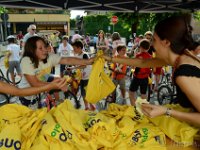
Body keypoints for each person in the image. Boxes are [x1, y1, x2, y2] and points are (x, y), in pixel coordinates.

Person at [103, 14, 200, 126]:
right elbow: (143, 63)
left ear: (166, 42)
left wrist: (166, 111)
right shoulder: (181, 57)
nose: (152, 45)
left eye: (154, 40)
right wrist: (111, 58)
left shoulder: (183, 75)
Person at [20, 36, 93, 107]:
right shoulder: (27, 61)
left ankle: (57, 100)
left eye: (46, 47)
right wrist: (55, 85)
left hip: (36, 96)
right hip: (26, 97)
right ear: (32, 50)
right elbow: (35, 83)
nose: (46, 50)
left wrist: (88, 61)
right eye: (41, 48)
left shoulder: (47, 58)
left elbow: (67, 60)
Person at [71, 40, 95, 111]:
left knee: (86, 93)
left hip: (87, 77)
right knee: (83, 93)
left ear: (79, 48)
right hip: (81, 77)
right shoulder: (77, 55)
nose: (74, 50)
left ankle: (91, 106)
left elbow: (84, 66)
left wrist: (74, 67)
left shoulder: (85, 55)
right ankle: (87, 107)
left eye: (74, 48)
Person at [129, 39, 152, 106]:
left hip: (137, 78)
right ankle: (144, 109)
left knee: (131, 92)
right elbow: (152, 69)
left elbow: (133, 67)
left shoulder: (138, 56)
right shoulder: (150, 57)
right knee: (143, 94)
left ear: (140, 47)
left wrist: (132, 70)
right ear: (148, 48)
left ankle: (134, 107)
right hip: (145, 78)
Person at [0, 78, 66, 97]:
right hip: (27, 96)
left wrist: (52, 85)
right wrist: (51, 86)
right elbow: (19, 92)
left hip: (33, 94)